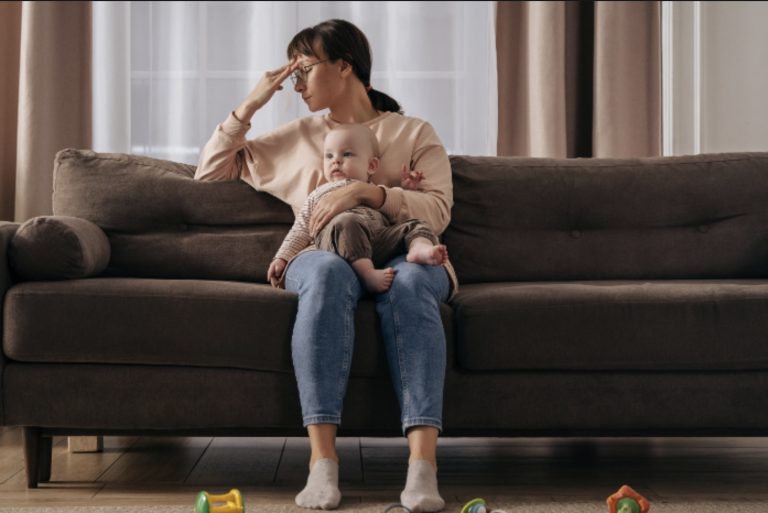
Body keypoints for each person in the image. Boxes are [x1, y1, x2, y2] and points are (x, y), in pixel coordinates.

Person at [195, 18, 457, 513]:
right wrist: (252, 103)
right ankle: (322, 464)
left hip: (406, 248)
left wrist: (369, 192)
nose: (295, 86)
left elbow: (438, 210)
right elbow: (209, 172)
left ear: (345, 66)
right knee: (327, 272)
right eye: (290, 76)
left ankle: (423, 467)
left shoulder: (412, 131)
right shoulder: (298, 136)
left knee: (411, 283)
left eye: (305, 71)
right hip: (322, 250)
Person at [267, 123, 449, 293]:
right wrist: (281, 257)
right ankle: (367, 274)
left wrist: (409, 190)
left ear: (371, 166)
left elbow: (398, 213)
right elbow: (300, 230)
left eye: (346, 154)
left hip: (377, 240)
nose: (335, 161)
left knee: (416, 224)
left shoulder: (375, 190)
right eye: (329, 156)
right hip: (339, 240)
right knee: (347, 221)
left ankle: (419, 250)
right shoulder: (318, 194)